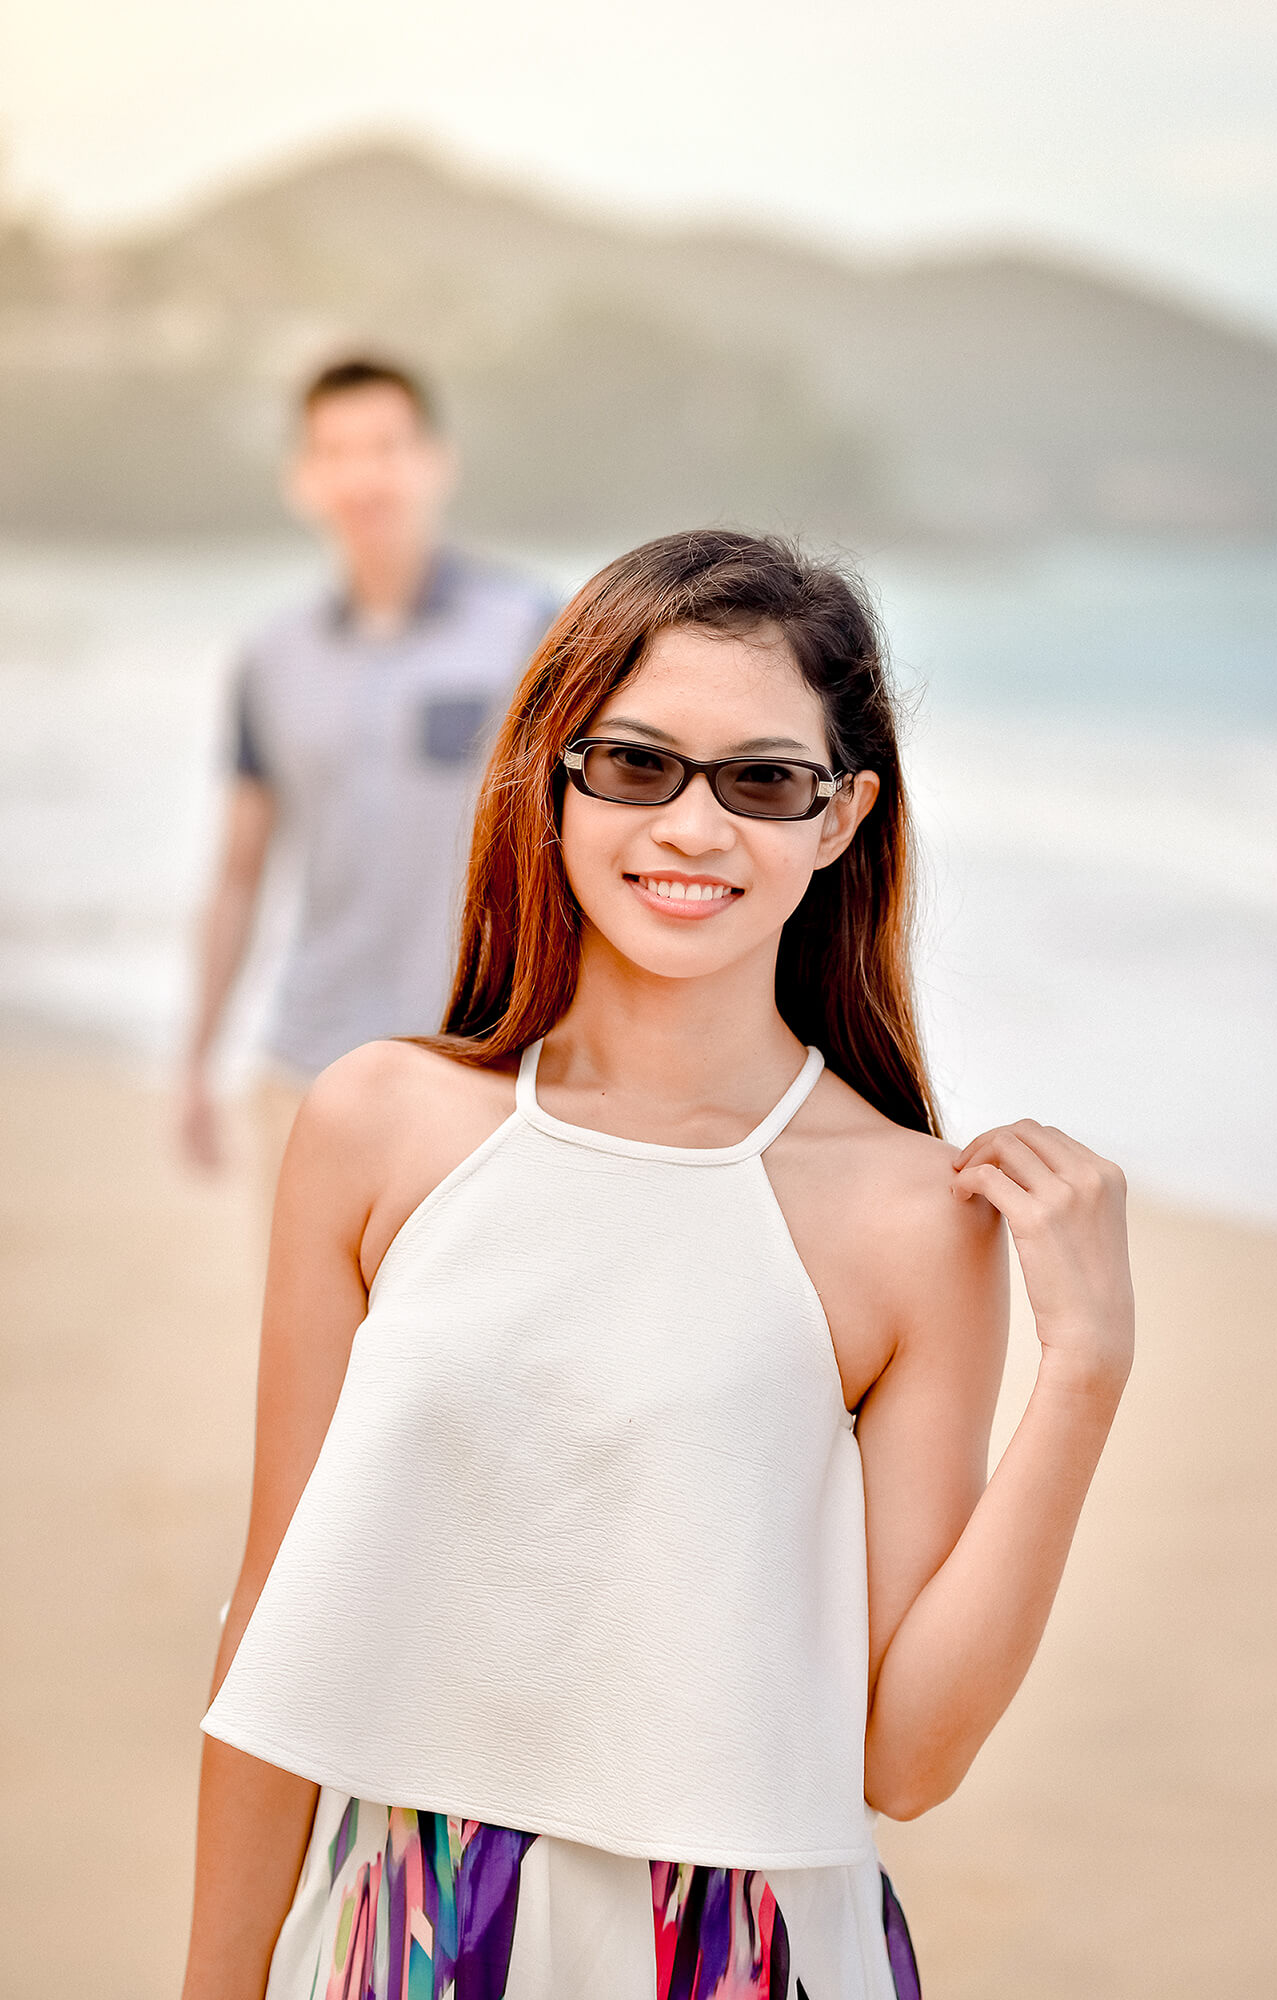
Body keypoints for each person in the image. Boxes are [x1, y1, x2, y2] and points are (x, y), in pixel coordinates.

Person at [180, 530, 1135, 2000]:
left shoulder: (907, 1215)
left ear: (839, 818)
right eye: (636, 765)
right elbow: (273, 1627)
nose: (693, 828)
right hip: (408, 1931)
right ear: (554, 774)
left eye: (760, 780)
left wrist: (1082, 1374)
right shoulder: (380, 1124)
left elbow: (907, 1755)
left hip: (747, 1951)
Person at [177, 355, 557, 1196]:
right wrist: (198, 1056)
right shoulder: (271, 659)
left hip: (479, 1066)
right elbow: (239, 874)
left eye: (386, 446)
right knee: (301, 1329)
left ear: (436, 462)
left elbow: (585, 849)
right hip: (308, 1063)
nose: (363, 476)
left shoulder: (530, 631)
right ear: (301, 480)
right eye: (335, 452)